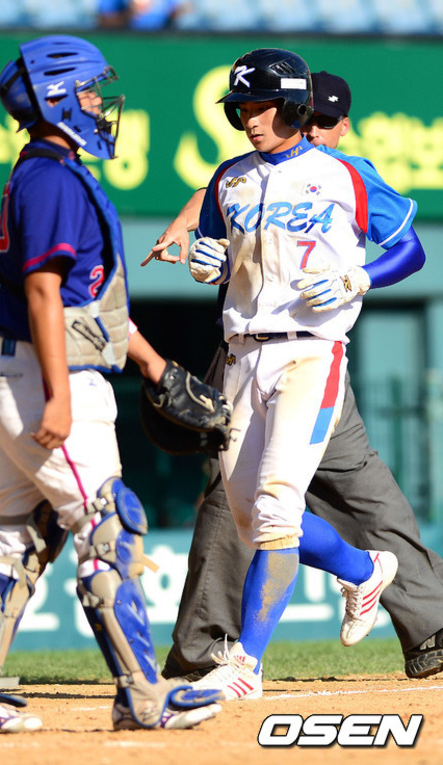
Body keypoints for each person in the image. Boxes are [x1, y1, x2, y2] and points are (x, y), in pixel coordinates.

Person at [0, 34, 224, 734]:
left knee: (23, 535)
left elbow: (87, 304)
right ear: (57, 97)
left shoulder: (51, 170)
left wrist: (153, 365)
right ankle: (143, 694)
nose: (100, 103)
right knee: (109, 526)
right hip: (47, 377)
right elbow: (43, 292)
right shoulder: (53, 178)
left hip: (27, 369)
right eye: (89, 91)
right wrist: (60, 395)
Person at [145, 55, 431, 697]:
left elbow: (410, 250)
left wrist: (359, 277)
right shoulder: (230, 179)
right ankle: (363, 570)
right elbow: (225, 261)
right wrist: (208, 262)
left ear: (295, 107)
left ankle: (245, 662)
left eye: (261, 106)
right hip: (241, 356)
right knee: (250, 518)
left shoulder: (344, 175)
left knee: (276, 508)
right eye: (242, 108)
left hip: (311, 352)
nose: (249, 118)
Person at [97, 0, 188, 29]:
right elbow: (104, 20)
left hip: (162, 42)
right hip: (129, 42)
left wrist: (174, 13)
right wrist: (130, 13)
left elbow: (181, 10)